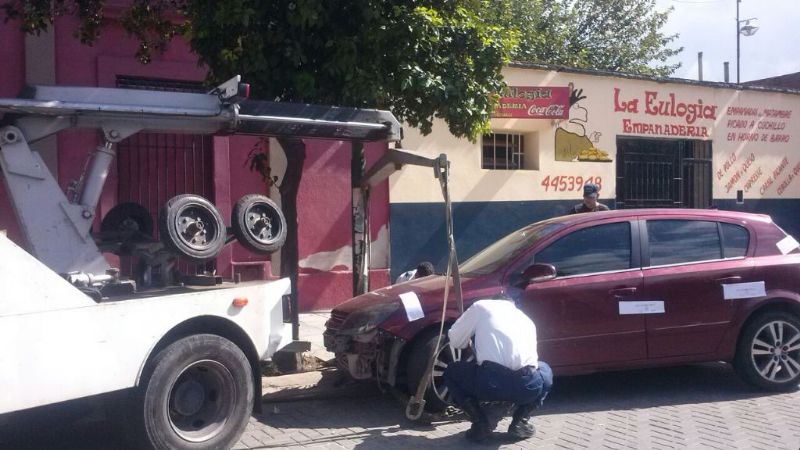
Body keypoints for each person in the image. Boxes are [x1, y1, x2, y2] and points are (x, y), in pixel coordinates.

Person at [443, 299, 553, 442]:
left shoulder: (481, 307)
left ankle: (480, 423)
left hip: (491, 384)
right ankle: (520, 421)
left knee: (452, 371)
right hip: (527, 386)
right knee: (545, 369)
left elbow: (456, 341)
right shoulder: (526, 319)